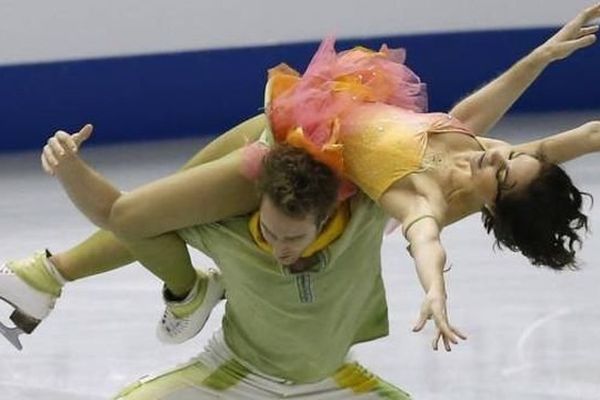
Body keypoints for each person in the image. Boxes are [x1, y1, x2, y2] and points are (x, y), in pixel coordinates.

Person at [1, 2, 599, 374]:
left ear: (495, 200)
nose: (498, 153)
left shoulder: (427, 200)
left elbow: (425, 243)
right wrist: (544, 54)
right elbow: (582, 134)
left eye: (502, 170)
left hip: (294, 167)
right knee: (175, 191)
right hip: (295, 114)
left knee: (135, 213)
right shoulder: (482, 149)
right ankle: (46, 277)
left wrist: (436, 296)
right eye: (513, 154)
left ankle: (185, 293)